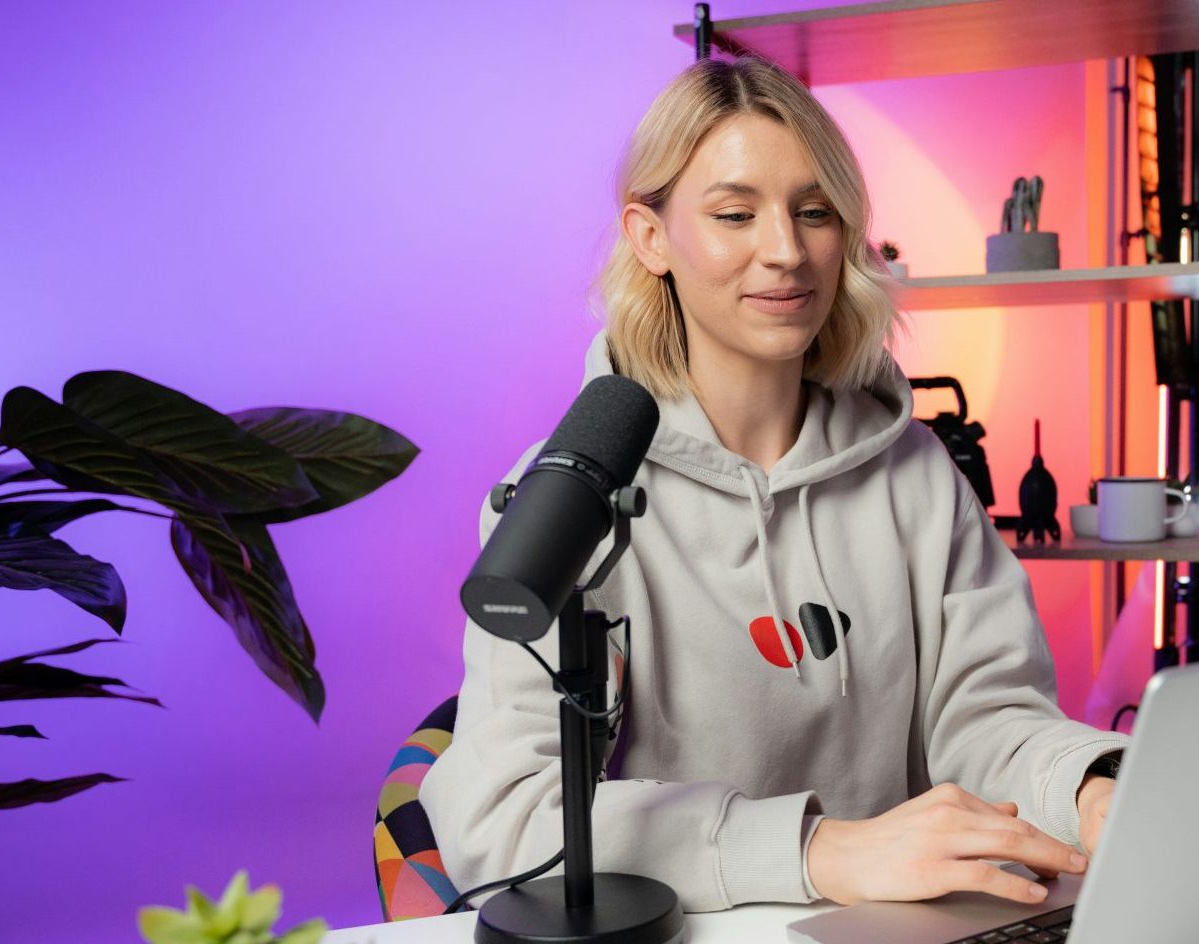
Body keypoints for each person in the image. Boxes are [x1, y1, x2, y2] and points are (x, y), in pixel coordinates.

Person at [421, 55, 1126, 914]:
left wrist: (1088, 792)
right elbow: (508, 818)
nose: (787, 252)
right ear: (650, 237)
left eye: (815, 211)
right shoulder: (570, 496)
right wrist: (820, 852)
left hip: (899, 928)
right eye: (733, 214)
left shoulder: (917, 476)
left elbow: (986, 721)